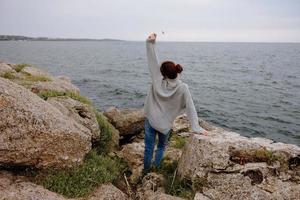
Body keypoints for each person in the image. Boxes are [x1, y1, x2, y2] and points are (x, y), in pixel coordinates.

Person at [143, 33, 208, 172]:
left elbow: (152, 60)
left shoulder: (157, 80)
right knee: (161, 147)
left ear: (164, 75)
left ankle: (146, 171)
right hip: (165, 126)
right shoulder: (183, 88)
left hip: (151, 120)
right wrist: (196, 127)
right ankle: (156, 168)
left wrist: (150, 42)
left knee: (148, 148)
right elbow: (190, 108)